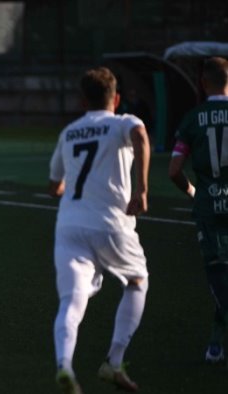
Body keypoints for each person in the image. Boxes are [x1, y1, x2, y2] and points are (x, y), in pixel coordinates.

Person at [48, 67, 151, 393]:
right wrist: (142, 189)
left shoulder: (69, 132)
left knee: (71, 301)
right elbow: (141, 137)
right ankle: (114, 362)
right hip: (111, 224)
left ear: (82, 100)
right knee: (137, 281)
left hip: (69, 226)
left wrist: (70, 189)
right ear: (116, 99)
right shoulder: (122, 122)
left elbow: (55, 186)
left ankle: (64, 366)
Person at [169, 57, 228, 366]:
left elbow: (174, 170)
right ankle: (216, 342)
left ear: (203, 83)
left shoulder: (193, 118)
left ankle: (217, 343)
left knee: (219, 275)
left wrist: (193, 192)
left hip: (208, 206)